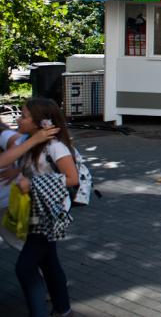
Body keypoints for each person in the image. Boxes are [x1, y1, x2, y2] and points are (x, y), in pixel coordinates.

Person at [2, 98, 78, 317]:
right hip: (31, 210)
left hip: (48, 213)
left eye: (24, 116)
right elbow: (12, 161)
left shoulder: (56, 147)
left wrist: (32, 183)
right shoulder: (27, 142)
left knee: (24, 268)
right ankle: (63, 309)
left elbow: (72, 178)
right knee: (49, 262)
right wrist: (17, 170)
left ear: (40, 122)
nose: (18, 118)